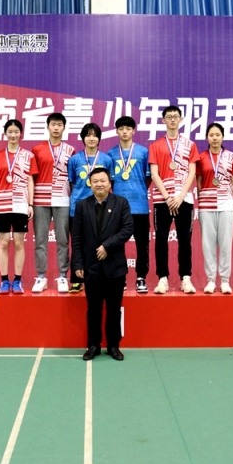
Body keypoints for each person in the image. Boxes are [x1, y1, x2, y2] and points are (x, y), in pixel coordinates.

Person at [71, 167, 134, 361]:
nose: (99, 184)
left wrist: (107, 246)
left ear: (109, 183)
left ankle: (114, 346)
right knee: (93, 309)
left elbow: (127, 229)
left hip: (115, 267)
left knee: (114, 309)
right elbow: (77, 238)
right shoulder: (82, 206)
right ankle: (93, 345)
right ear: (90, 184)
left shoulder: (121, 203)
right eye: (95, 181)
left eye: (103, 180)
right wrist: (78, 264)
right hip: (91, 267)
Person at [148, 105, 200, 294]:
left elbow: (192, 172)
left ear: (181, 120)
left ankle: (186, 278)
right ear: (163, 120)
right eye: (168, 116)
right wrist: (168, 196)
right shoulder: (155, 146)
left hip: (184, 199)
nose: (172, 119)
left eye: (175, 116)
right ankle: (162, 278)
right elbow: (154, 174)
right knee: (161, 239)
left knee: (185, 239)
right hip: (162, 200)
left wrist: (179, 196)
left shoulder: (190, 145)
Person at [0, 119, 38, 294]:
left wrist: (30, 204)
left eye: (16, 132)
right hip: (1, 204)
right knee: (3, 243)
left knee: (18, 243)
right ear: (5, 133)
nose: (13, 135)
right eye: (10, 132)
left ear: (21, 134)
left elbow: (30, 181)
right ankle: (4, 281)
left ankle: (17, 280)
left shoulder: (28, 156)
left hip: (20, 204)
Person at [67, 123, 114, 293]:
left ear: (99, 139)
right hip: (77, 208)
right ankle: (77, 280)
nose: (91, 138)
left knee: (100, 242)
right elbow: (72, 183)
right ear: (83, 138)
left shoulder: (107, 159)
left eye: (94, 135)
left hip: (100, 206)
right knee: (78, 243)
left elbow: (110, 184)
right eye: (88, 135)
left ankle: (100, 277)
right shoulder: (74, 160)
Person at [31, 113, 74, 293]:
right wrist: (30, 201)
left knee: (63, 240)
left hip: (63, 200)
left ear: (64, 127)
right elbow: (31, 177)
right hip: (40, 199)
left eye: (59, 125)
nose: (56, 128)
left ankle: (63, 276)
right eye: (53, 124)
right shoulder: (37, 149)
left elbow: (72, 178)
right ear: (47, 126)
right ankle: (41, 276)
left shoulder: (70, 150)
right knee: (40, 240)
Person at [108, 116, 151, 293]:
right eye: (121, 129)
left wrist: (138, 191)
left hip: (140, 206)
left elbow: (148, 177)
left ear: (134, 131)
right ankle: (121, 278)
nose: (124, 132)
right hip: (119, 207)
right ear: (117, 131)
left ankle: (141, 277)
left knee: (142, 244)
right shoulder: (111, 154)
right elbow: (110, 181)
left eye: (128, 128)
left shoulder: (143, 152)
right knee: (117, 244)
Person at [196, 123, 233, 294]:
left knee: (225, 243)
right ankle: (210, 280)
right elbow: (199, 182)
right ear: (207, 137)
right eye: (211, 135)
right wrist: (201, 201)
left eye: (217, 135)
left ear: (222, 137)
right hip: (206, 204)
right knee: (207, 244)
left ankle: (225, 281)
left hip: (226, 203)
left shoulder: (230, 156)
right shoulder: (201, 157)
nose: (214, 138)